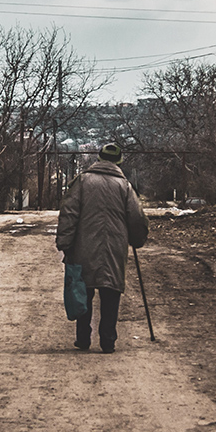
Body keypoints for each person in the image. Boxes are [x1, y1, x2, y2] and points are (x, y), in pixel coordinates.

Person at [56, 143, 149, 353]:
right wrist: (137, 239)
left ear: (98, 158)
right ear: (119, 162)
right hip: (114, 249)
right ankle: (108, 340)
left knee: (83, 292)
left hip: (83, 246)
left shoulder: (82, 182)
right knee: (111, 292)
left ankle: (83, 338)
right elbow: (136, 218)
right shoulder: (125, 186)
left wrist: (65, 242)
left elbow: (69, 213)